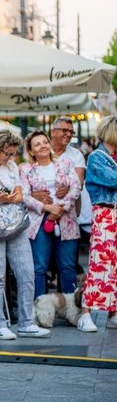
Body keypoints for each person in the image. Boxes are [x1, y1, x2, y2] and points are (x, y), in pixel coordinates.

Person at [0, 131, 48, 340]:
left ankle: (26, 322)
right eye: (7, 153)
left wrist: (13, 197)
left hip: (15, 223)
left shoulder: (12, 166)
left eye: (13, 153)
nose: (10, 157)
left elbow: (20, 193)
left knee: (27, 273)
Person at [19, 130, 81, 298]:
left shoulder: (65, 164)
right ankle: (39, 307)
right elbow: (24, 196)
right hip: (39, 222)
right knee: (39, 267)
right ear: (31, 151)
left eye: (45, 142)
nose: (43, 146)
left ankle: (70, 307)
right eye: (37, 144)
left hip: (66, 218)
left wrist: (61, 208)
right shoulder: (26, 170)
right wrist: (47, 208)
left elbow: (76, 187)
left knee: (67, 266)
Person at [79, 115, 117, 332]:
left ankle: (113, 312)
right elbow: (113, 180)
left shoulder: (112, 157)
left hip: (112, 213)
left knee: (115, 265)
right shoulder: (96, 157)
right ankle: (85, 312)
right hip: (105, 213)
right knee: (100, 262)